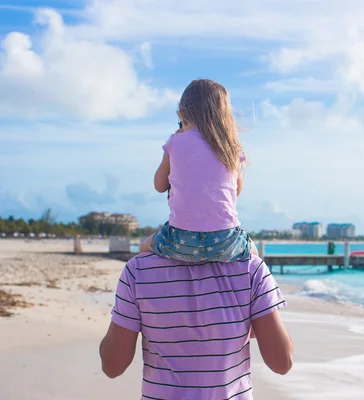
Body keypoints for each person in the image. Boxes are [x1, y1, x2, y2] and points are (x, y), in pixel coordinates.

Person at [99, 252, 293, 399]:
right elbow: (282, 363)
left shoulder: (138, 269)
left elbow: (112, 366)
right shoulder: (251, 268)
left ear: (170, 199)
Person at [139, 78, 257, 263]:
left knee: (143, 247)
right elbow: (237, 190)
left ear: (182, 117)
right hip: (225, 243)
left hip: (180, 241)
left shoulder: (175, 143)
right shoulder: (231, 148)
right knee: (255, 255)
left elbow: (159, 185)